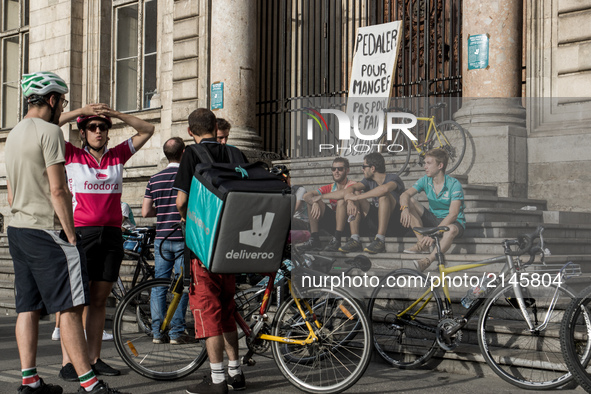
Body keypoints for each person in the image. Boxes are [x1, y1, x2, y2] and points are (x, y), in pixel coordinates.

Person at [6, 71, 121, 394]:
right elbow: (59, 190)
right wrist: (71, 235)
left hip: (18, 229)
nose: (63, 109)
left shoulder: (14, 133)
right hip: (47, 230)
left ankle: (30, 381)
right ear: (54, 100)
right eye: (63, 102)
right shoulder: (50, 133)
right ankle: (91, 383)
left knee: (27, 308)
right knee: (70, 308)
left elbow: (12, 195)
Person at [55, 103, 154, 381]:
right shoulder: (71, 154)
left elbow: (148, 129)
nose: (98, 131)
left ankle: (94, 358)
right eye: (92, 127)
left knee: (99, 300)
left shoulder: (117, 155)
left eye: (103, 127)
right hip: (81, 233)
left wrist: (118, 115)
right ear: (83, 132)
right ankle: (68, 362)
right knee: (74, 302)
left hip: (111, 234)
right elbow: (48, 128)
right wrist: (80, 111)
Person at [174, 108, 247, 394]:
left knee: (208, 312)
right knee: (227, 309)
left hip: (204, 248)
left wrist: (186, 218)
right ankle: (235, 373)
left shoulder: (191, 155)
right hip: (233, 246)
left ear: (190, 132)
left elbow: (181, 201)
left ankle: (217, 382)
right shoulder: (237, 154)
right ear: (216, 127)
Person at [142, 137, 192, 345]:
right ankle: (176, 332)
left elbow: (145, 212)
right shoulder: (187, 177)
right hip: (182, 238)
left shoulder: (154, 179)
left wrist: (161, 210)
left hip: (161, 238)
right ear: (183, 153)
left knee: (159, 285)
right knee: (180, 286)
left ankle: (157, 331)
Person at [313, 152, 406, 254]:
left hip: (396, 224)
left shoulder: (393, 178)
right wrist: (321, 197)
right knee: (354, 193)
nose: (362, 169)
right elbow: (350, 188)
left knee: (384, 196)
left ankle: (380, 240)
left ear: (372, 168)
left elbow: (384, 189)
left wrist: (357, 197)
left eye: (364, 166)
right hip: (377, 221)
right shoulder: (368, 181)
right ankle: (355, 239)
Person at [399, 148, 466, 271]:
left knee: (450, 229)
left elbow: (453, 214)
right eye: (425, 163)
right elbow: (405, 195)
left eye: (429, 163)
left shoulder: (454, 184)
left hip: (453, 222)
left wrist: (434, 233)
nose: (425, 167)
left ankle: (427, 260)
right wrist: (404, 209)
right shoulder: (426, 180)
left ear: (440, 165)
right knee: (409, 201)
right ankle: (422, 244)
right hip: (434, 218)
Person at [298, 157, 355, 252]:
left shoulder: (352, 184)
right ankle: (315, 239)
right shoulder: (331, 187)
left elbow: (343, 193)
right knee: (311, 201)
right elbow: (306, 195)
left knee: (341, 200)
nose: (336, 171)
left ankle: (337, 239)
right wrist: (314, 202)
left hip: (350, 225)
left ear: (347, 170)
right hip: (335, 224)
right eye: (334, 169)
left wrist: (320, 197)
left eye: (340, 169)